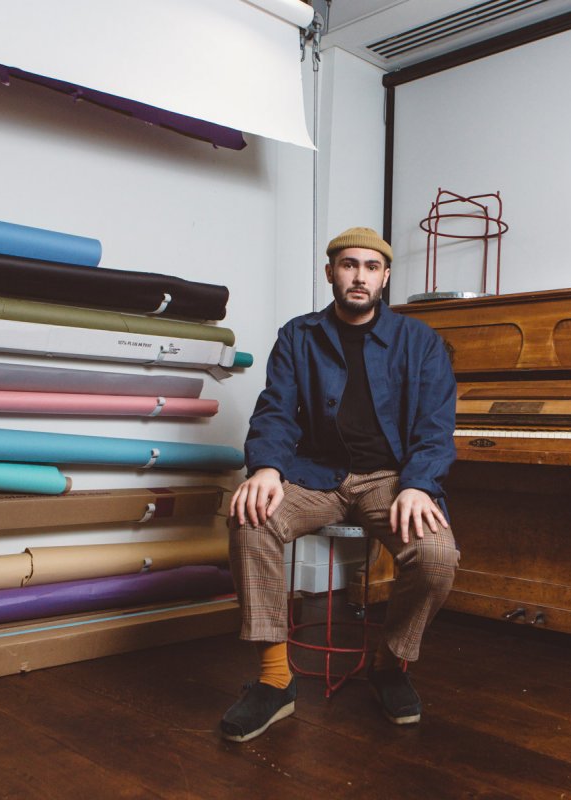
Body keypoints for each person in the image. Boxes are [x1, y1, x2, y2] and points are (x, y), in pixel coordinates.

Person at [220, 227, 458, 743]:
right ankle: (274, 680)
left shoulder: (422, 344)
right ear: (330, 272)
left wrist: (419, 484)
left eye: (371, 267)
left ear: (385, 277)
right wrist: (266, 468)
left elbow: (436, 429)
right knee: (249, 517)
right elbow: (276, 413)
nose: (359, 276)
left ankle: (391, 665)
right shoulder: (298, 336)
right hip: (315, 476)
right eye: (349, 265)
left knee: (437, 556)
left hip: (389, 482)